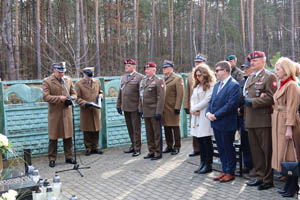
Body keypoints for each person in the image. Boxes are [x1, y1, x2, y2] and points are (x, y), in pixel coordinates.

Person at [244, 51, 277, 190]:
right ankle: (260, 176)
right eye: (251, 61)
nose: (252, 63)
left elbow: (272, 97)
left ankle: (268, 180)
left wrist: (254, 101)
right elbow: (245, 94)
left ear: (263, 61)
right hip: (251, 119)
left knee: (266, 150)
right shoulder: (251, 77)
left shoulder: (269, 76)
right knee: (256, 151)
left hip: (263, 120)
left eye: (255, 61)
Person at [206, 61, 241, 182]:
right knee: (221, 148)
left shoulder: (234, 85)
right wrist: (208, 113)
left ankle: (230, 172)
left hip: (226, 122)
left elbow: (231, 105)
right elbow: (211, 101)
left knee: (228, 147)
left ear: (225, 71)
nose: (215, 73)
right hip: (216, 123)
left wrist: (216, 115)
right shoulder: (217, 85)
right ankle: (224, 170)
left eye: (217, 70)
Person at [271, 58, 300, 198]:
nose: (276, 71)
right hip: (278, 120)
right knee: (283, 153)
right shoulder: (282, 84)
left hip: (287, 122)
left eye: (278, 69)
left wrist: (289, 128)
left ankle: (293, 186)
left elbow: (292, 109)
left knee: (290, 155)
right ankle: (288, 184)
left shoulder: (292, 85)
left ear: (286, 70)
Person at [42, 62, 77, 168]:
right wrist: (59, 98)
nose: (61, 74)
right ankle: (52, 158)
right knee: (53, 137)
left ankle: (69, 157)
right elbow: (45, 97)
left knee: (68, 136)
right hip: (55, 114)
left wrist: (72, 98)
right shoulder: (47, 81)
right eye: (59, 72)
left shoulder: (68, 80)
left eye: (63, 72)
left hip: (67, 113)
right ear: (54, 71)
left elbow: (74, 93)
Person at [191, 64, 215, 174]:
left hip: (204, 115)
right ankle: (202, 162)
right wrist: (192, 109)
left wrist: (195, 108)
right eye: (196, 76)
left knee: (206, 141)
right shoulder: (197, 86)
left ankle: (208, 164)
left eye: (200, 75)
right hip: (196, 115)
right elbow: (192, 98)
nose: (198, 78)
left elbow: (207, 100)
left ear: (205, 74)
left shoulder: (210, 85)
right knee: (199, 140)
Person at [117, 59, 143, 156]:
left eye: (128, 66)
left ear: (134, 67)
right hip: (126, 107)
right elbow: (120, 92)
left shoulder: (139, 77)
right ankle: (133, 145)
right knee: (130, 128)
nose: (126, 67)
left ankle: (137, 148)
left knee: (136, 129)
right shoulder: (123, 77)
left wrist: (140, 108)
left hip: (135, 107)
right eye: (126, 66)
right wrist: (118, 105)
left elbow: (142, 94)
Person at [139, 62, 165, 160]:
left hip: (154, 111)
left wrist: (159, 111)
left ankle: (158, 153)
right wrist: (140, 109)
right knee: (149, 133)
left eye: (149, 69)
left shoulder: (158, 81)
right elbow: (141, 96)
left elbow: (161, 98)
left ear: (154, 70)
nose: (146, 71)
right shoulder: (144, 80)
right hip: (146, 112)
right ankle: (151, 151)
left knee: (157, 133)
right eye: (146, 69)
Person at [75, 67, 104, 156]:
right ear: (84, 75)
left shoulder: (97, 82)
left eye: (91, 76)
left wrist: (101, 96)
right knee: (87, 130)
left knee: (96, 129)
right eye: (88, 77)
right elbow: (76, 98)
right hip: (86, 110)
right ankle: (88, 148)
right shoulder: (78, 84)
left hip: (95, 109)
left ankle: (95, 147)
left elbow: (101, 91)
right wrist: (84, 103)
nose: (89, 78)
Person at [184, 53, 208, 157]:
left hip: (204, 108)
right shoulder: (190, 76)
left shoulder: (209, 75)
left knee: (204, 130)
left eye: (199, 62)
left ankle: (205, 150)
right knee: (194, 128)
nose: (197, 64)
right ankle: (196, 149)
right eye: (196, 62)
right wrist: (187, 106)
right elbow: (188, 92)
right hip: (193, 107)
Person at [161, 60, 184, 155]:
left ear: (171, 68)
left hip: (173, 107)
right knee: (166, 128)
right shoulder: (162, 79)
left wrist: (177, 107)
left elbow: (180, 94)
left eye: (166, 67)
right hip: (164, 108)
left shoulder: (177, 78)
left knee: (175, 127)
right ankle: (169, 146)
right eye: (163, 68)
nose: (164, 69)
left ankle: (177, 146)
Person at [238, 61, 255, 176]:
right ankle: (247, 164)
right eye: (244, 68)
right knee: (244, 142)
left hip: (250, 114)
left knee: (252, 143)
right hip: (241, 116)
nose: (245, 70)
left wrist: (242, 108)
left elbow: (253, 98)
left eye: (247, 68)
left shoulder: (255, 81)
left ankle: (254, 167)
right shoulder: (242, 81)